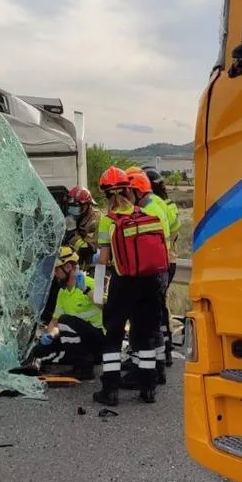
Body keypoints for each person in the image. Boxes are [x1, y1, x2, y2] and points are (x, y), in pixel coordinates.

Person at [92, 167, 167, 405]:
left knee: (113, 334)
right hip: (149, 281)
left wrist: (98, 284)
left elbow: (103, 258)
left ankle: (110, 389)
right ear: (129, 189)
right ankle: (148, 388)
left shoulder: (107, 221)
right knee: (144, 336)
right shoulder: (143, 213)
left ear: (106, 194)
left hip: (123, 282)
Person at [123, 167, 171, 384]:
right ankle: (158, 368)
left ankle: (145, 373)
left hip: (148, 273)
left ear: (137, 192)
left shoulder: (148, 213)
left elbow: (138, 246)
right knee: (153, 324)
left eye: (128, 193)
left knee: (142, 327)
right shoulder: (156, 206)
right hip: (159, 269)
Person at [31, 246, 105, 379]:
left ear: (69, 267)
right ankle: (76, 357)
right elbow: (54, 321)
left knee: (65, 320)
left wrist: (85, 290)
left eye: (57, 269)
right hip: (76, 338)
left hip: (96, 338)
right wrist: (49, 336)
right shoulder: (62, 291)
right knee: (38, 351)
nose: (54, 273)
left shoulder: (90, 283)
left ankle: (84, 367)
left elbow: (107, 306)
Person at [144, 166, 182, 366]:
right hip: (171, 259)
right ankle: (166, 346)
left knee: (156, 307)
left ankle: (162, 349)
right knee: (161, 304)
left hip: (162, 261)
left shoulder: (156, 205)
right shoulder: (170, 204)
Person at [62, 185, 100, 268]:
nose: (72, 210)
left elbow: (86, 250)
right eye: (70, 207)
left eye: (76, 207)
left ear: (86, 206)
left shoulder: (94, 221)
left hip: (92, 268)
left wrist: (72, 233)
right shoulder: (77, 218)